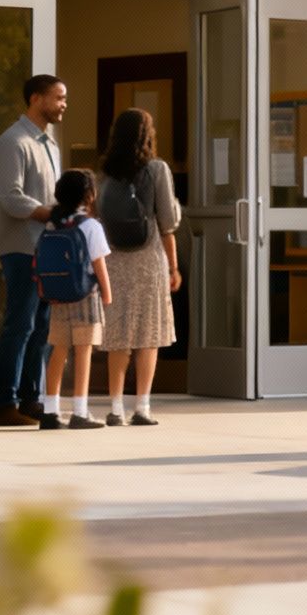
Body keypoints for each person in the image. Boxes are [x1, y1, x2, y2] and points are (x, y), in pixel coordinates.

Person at [0, 74, 67, 426]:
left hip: (48, 247)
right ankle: (3, 404)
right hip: (21, 248)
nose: (64, 104)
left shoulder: (50, 144)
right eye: (59, 98)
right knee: (19, 325)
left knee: (42, 327)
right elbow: (10, 197)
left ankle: (30, 399)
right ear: (36, 98)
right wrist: (51, 212)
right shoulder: (14, 141)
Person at [98, 108, 182, 427]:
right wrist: (173, 267)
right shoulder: (157, 169)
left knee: (118, 334)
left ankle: (115, 407)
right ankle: (142, 407)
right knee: (148, 335)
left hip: (113, 259)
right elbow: (168, 222)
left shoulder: (104, 174)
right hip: (148, 259)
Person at [38, 170, 115, 431]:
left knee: (58, 350)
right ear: (89, 196)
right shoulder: (91, 226)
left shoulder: (53, 224)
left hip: (58, 296)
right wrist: (107, 293)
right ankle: (80, 411)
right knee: (83, 351)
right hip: (85, 295)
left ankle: (50, 409)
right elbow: (99, 264)